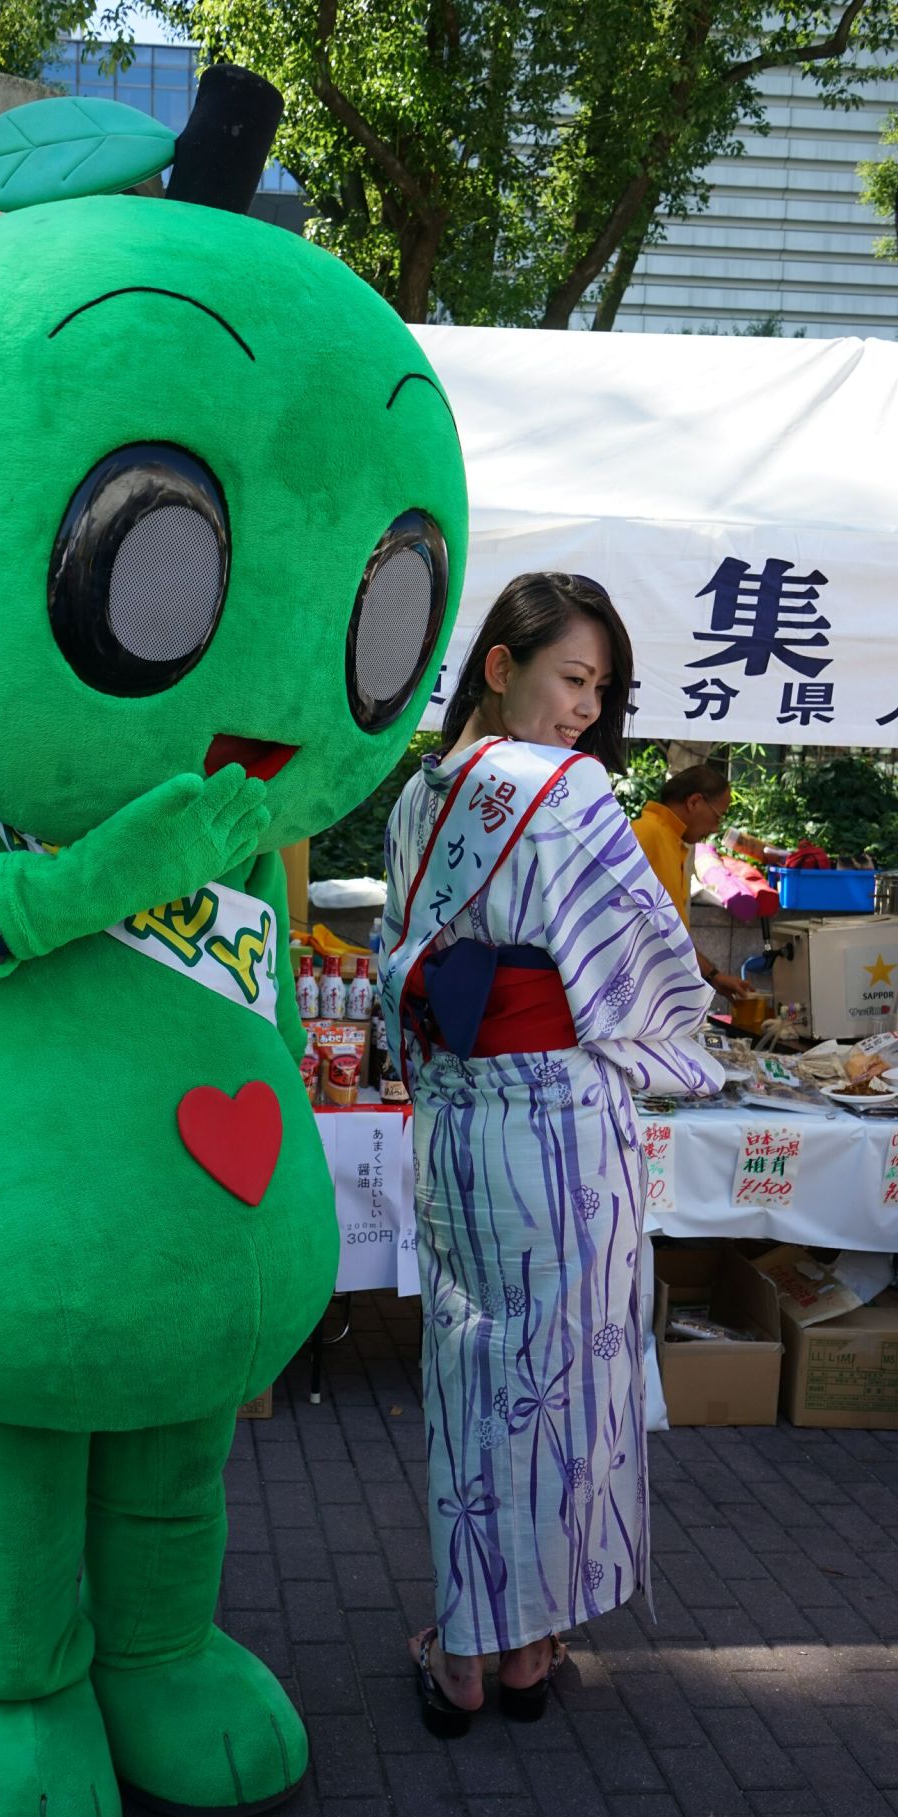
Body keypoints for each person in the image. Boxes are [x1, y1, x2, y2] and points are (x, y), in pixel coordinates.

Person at [380, 571, 721, 1732]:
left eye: (598, 689)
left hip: (457, 1122)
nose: (583, 709)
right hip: (563, 1130)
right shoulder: (569, 798)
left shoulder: (417, 799)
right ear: (498, 664)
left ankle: (467, 1647)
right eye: (571, 678)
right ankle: (520, 1651)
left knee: (467, 1378)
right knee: (558, 1393)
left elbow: (395, 963)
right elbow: (658, 983)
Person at [632, 764, 750, 1001]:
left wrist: (714, 976)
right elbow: (654, 931)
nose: (715, 828)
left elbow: (671, 932)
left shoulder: (671, 840)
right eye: (718, 817)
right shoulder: (648, 835)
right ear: (694, 802)